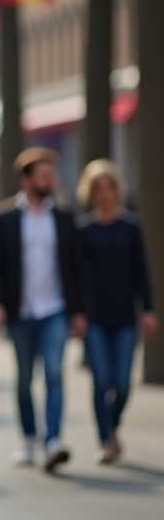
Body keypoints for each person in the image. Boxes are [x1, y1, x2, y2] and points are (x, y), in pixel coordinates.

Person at [0, 147, 85, 473]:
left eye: (51, 174)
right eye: (43, 175)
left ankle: (53, 440)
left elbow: (76, 268)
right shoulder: (4, 219)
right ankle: (28, 437)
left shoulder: (65, 219)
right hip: (20, 311)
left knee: (54, 374)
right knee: (25, 380)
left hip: (55, 309)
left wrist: (79, 311)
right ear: (26, 180)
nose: (49, 180)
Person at [75, 159, 157, 464]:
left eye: (109, 188)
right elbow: (77, 274)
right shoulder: (82, 229)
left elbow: (142, 271)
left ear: (116, 191)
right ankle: (106, 440)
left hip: (125, 315)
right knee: (102, 378)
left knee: (122, 382)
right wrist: (77, 313)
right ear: (92, 193)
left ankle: (113, 425)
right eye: (99, 189)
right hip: (94, 316)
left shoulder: (131, 227)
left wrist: (149, 309)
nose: (105, 194)